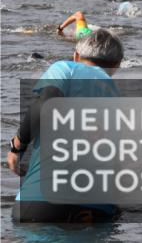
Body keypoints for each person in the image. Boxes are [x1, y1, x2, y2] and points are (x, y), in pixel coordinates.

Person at [8, 29, 125, 224]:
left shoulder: (66, 68)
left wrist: (17, 145)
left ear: (76, 55)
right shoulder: (118, 99)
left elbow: (46, 103)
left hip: (40, 203)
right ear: (117, 64)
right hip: (97, 210)